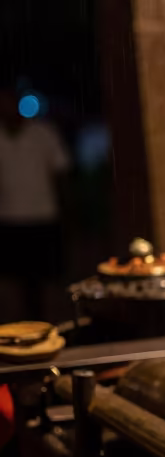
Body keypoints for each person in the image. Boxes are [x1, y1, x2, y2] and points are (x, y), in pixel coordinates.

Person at [0, 87, 70, 322]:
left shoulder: (43, 133)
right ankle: (18, 329)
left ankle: (48, 325)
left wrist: (67, 212)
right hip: (8, 219)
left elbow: (61, 173)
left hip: (43, 217)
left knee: (45, 280)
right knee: (12, 281)